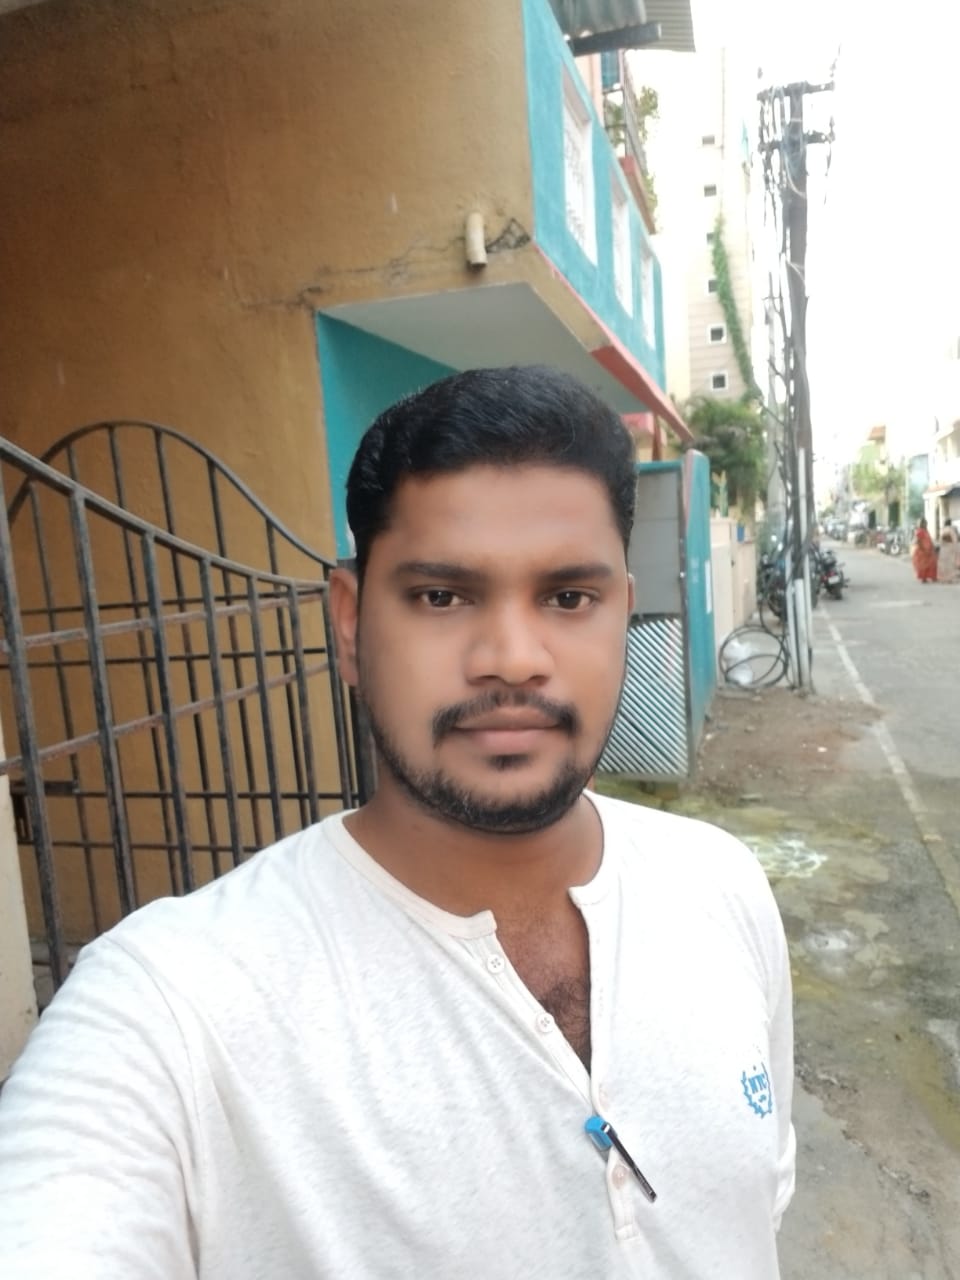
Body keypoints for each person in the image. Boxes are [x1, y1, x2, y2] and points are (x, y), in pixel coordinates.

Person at [0, 366, 795, 1278]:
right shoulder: (171, 1010)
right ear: (349, 626)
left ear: (622, 607)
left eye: (568, 597)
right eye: (441, 597)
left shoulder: (722, 887)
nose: (512, 658)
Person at [912, 516, 938, 583]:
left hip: (929, 550)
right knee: (923, 565)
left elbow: (929, 540)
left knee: (932, 564)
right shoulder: (919, 531)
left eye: (926, 523)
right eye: (925, 523)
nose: (926, 524)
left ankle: (933, 577)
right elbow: (918, 541)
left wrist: (932, 547)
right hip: (922, 551)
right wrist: (923, 548)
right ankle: (923, 578)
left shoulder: (926, 531)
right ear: (921, 524)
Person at [937, 519, 959, 584]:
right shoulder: (952, 530)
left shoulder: (943, 530)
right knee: (950, 564)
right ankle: (949, 578)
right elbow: (954, 540)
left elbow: (941, 540)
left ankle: (943, 578)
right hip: (950, 548)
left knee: (944, 564)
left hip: (944, 549)